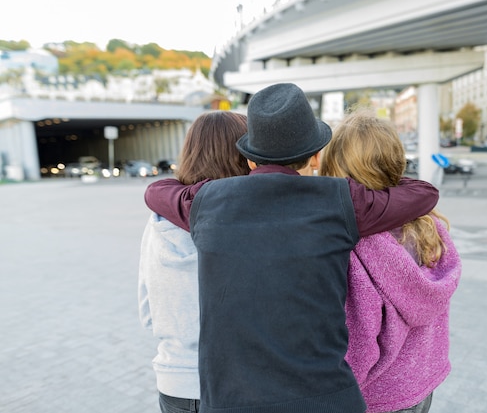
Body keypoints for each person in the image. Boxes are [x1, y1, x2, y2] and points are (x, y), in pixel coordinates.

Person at [143, 82, 440, 413]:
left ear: (251, 160)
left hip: (232, 401)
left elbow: (156, 191)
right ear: (314, 157)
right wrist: (357, 178)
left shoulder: (208, 202)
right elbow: (424, 193)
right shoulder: (340, 201)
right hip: (325, 399)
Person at [320, 108, 462, 413]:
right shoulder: (429, 225)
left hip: (374, 398)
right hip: (421, 386)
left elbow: (358, 340)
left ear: (335, 166)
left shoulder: (354, 242)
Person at [138, 111, 249, 413]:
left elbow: (147, 312)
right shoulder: (253, 219)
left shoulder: (158, 220)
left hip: (174, 382)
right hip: (241, 383)